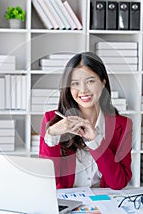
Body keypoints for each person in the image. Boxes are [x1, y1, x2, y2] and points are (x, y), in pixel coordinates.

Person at [39, 52, 132, 190]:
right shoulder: (52, 120)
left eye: (90, 81)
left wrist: (96, 142)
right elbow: (47, 182)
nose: (83, 90)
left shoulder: (123, 125)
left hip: (104, 203)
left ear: (102, 83)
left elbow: (118, 183)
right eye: (75, 83)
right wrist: (53, 135)